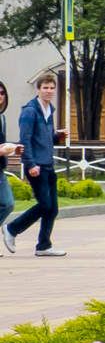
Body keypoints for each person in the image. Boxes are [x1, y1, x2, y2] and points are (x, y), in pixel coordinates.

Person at [4, 74, 64, 256]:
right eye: (45, 87)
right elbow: (25, 139)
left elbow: (45, 138)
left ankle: (44, 246)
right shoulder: (30, 111)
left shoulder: (49, 110)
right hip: (36, 166)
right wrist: (30, 163)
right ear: (38, 90)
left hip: (48, 164)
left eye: (52, 88)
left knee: (52, 209)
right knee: (45, 205)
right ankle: (12, 229)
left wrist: (58, 136)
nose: (49, 91)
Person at [0, 81, 16, 235]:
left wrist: (11, 148)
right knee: (6, 203)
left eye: (2, 93)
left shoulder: (2, 118)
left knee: (8, 204)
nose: (0, 96)